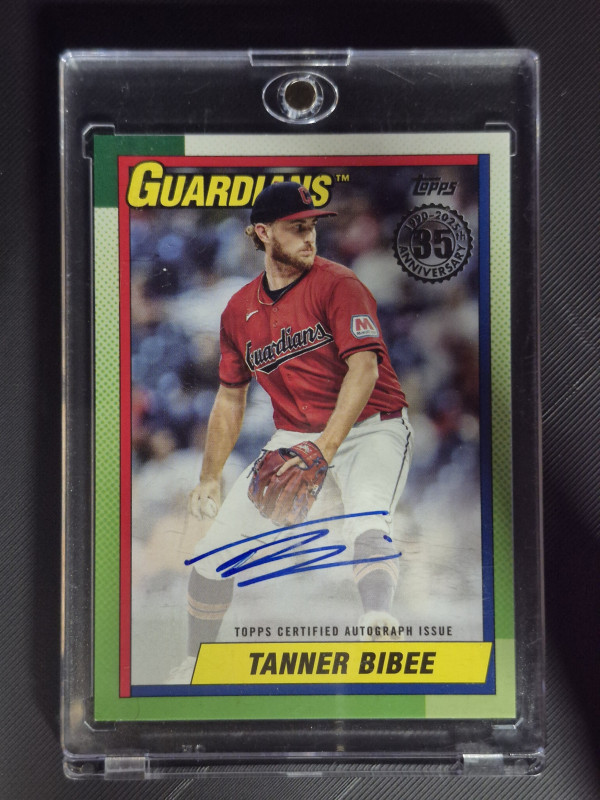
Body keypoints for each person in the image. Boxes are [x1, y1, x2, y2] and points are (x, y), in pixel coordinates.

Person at [172, 181, 413, 682]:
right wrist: (210, 476)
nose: (310, 237)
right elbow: (230, 396)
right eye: (297, 227)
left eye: (312, 227)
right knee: (214, 554)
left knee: (368, 516)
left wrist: (324, 449)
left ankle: (377, 619)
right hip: (295, 435)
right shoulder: (238, 310)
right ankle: (196, 662)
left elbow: (364, 370)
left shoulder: (339, 284)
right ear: (263, 234)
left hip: (371, 425)